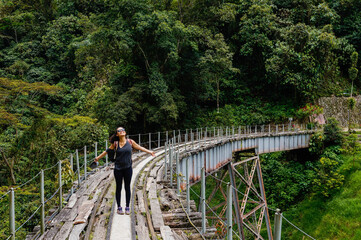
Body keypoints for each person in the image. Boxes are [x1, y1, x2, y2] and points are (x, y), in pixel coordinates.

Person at [95, 127, 155, 215]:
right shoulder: (115, 143)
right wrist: (97, 158)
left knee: (127, 187)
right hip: (118, 169)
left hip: (128, 168)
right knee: (118, 188)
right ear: (117, 134)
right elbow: (106, 151)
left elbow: (139, 147)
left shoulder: (130, 142)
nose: (121, 131)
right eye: (119, 131)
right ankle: (119, 207)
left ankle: (127, 207)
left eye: (122, 130)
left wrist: (149, 152)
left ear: (125, 132)